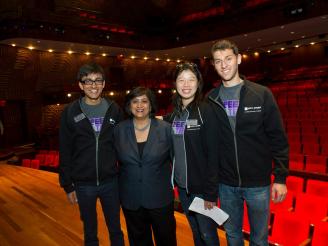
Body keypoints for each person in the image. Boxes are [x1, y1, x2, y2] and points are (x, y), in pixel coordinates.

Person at [207, 39, 289, 246]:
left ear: (239, 59)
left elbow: (278, 138)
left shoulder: (261, 94)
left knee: (259, 239)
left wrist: (280, 177)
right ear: (214, 65)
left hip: (258, 184)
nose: (224, 65)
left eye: (228, 59)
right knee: (232, 234)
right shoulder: (209, 99)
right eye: (218, 61)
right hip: (226, 184)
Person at [59, 62, 124, 246]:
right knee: (90, 232)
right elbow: (65, 149)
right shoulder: (70, 112)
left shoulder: (115, 109)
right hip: (83, 184)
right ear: (80, 85)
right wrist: (68, 185)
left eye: (98, 81)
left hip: (110, 182)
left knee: (116, 229)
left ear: (104, 84)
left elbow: (122, 145)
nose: (93, 85)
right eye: (88, 81)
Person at [164, 62, 220, 246]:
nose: (186, 84)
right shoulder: (174, 115)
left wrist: (210, 193)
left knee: (208, 235)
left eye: (191, 79)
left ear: (198, 83)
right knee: (196, 232)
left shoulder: (206, 110)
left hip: (202, 190)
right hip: (183, 188)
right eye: (181, 80)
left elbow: (214, 154)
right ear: (175, 84)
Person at [114, 87, 176, 246]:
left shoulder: (166, 129)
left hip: (160, 199)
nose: (139, 105)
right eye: (135, 101)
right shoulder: (118, 130)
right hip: (131, 199)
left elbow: (177, 161)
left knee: (167, 241)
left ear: (151, 105)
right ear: (129, 105)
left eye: (144, 101)